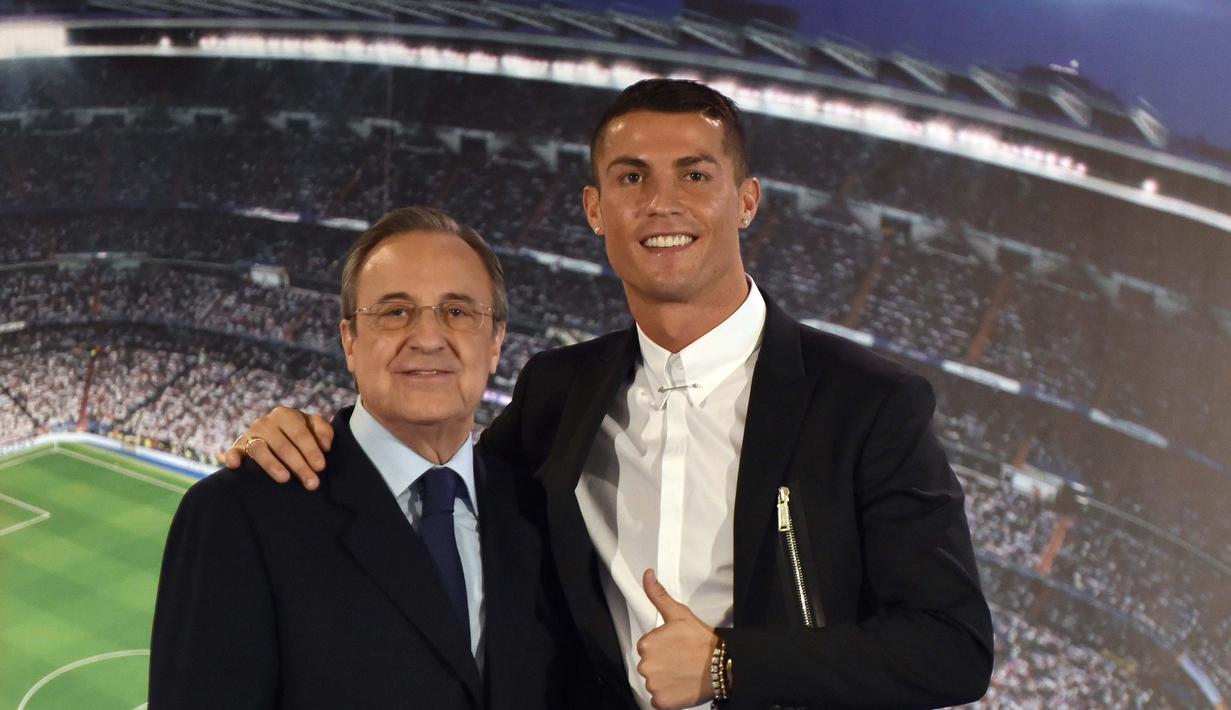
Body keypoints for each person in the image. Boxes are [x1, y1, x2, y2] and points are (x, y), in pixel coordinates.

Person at [227, 80, 994, 710]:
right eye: (631, 178)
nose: (662, 203)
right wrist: (314, 439)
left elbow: (950, 647)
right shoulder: (558, 390)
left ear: (746, 200)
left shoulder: (868, 403)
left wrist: (728, 664)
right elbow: (443, 492)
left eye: (694, 175)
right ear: (595, 209)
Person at [150, 207, 571, 709]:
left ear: (496, 342)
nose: (428, 338)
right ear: (349, 340)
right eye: (395, 312)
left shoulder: (534, 510)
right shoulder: (237, 514)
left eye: (458, 312)